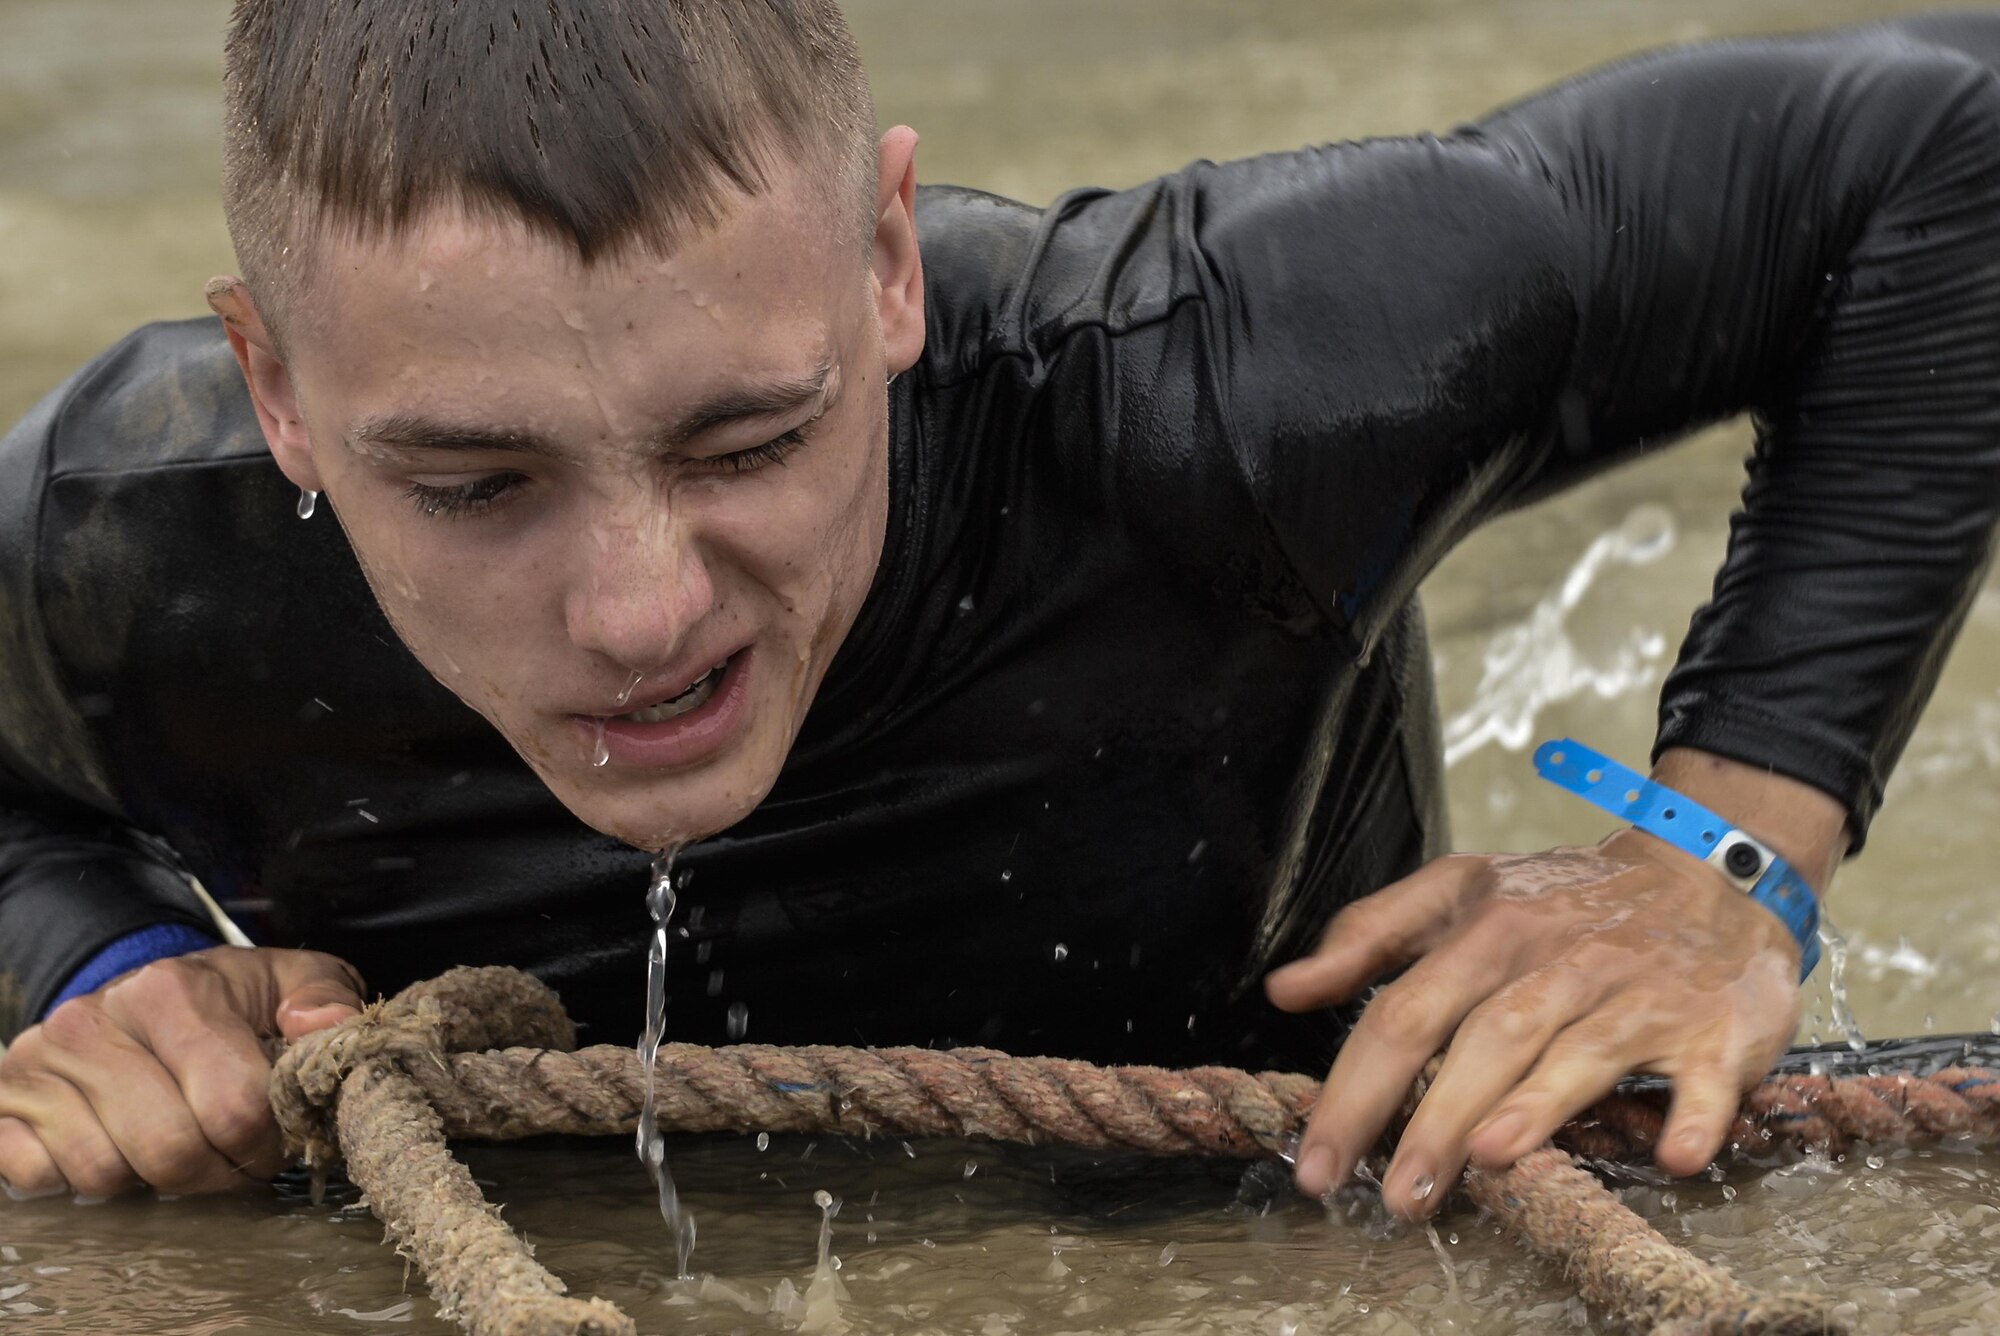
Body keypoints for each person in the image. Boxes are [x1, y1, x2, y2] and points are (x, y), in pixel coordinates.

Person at [1, 1, 1996, 1221]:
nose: (638, 608)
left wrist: (1723, 846)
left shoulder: (1194, 395)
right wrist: (97, 967)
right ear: (275, 388)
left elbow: (1938, 140)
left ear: (886, 264)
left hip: (1280, 1155)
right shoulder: (130, 538)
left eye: (747, 436)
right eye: (474, 484)